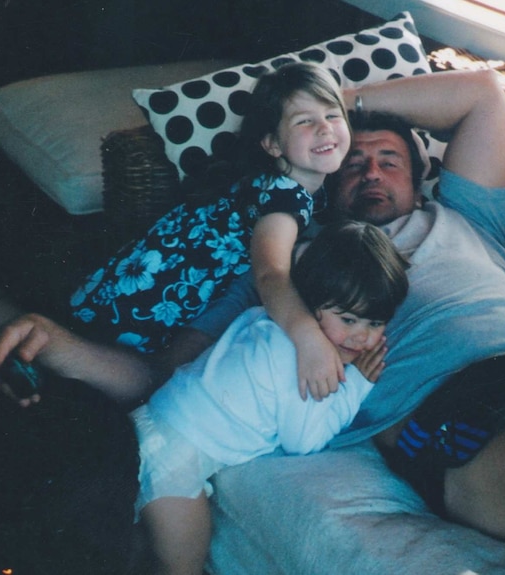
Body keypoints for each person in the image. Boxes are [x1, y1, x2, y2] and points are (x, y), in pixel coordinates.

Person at [0, 67, 505, 572]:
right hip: (477, 422)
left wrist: (333, 106)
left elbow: (482, 93)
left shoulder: (469, 215)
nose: (369, 169)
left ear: (423, 177)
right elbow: (169, 378)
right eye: (351, 161)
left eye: (387, 159)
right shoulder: (295, 274)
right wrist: (61, 347)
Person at [121, 219, 408, 575]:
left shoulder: (265, 319)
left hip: (152, 425)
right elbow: (304, 441)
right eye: (349, 320)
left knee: (133, 549)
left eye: (375, 323)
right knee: (184, 566)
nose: (362, 338)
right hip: (174, 463)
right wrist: (357, 385)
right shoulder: (308, 361)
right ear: (310, 300)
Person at [67, 61, 352, 401]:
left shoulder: (280, 185)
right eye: (304, 121)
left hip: (126, 284)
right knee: (150, 383)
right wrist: (309, 338)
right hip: (151, 299)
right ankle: (61, 356)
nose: (324, 128)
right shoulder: (284, 197)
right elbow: (270, 273)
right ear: (273, 144)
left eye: (333, 115)